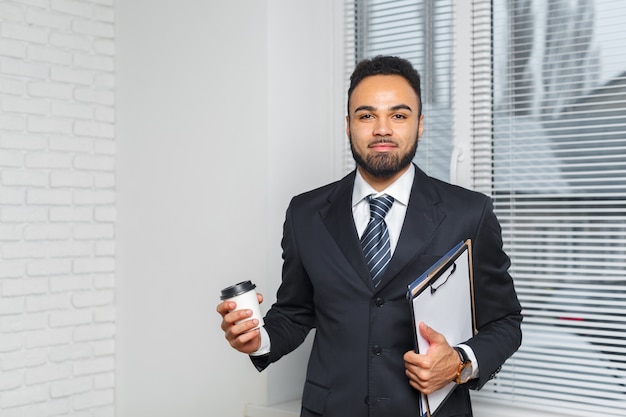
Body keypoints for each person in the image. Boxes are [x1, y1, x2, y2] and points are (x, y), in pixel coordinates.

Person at [217, 55, 522, 417]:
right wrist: (259, 339)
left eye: (398, 115)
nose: (382, 129)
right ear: (348, 125)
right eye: (366, 116)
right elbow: (297, 311)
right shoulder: (305, 213)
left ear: (420, 125)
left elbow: (505, 323)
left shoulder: (469, 214)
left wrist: (459, 362)